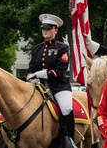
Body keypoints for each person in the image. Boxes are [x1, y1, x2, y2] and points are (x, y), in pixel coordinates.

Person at [26, 14, 76, 148]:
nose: (45, 31)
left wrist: (40, 74)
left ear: (56, 30)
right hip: (38, 86)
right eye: (43, 29)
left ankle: (68, 139)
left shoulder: (62, 47)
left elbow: (60, 70)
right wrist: (30, 76)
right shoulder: (36, 48)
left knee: (66, 108)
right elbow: (30, 68)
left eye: (49, 28)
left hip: (58, 86)